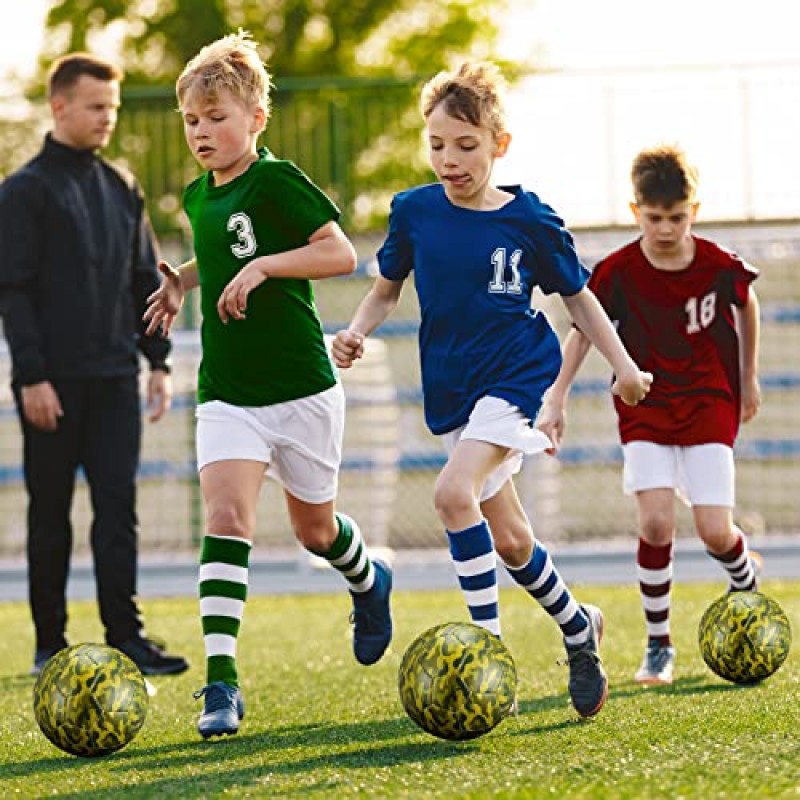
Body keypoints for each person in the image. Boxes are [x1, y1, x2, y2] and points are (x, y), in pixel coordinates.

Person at [332, 61, 652, 719]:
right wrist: (357, 331)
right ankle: (577, 625)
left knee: (452, 494)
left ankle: (488, 656)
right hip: (452, 386)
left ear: (498, 145)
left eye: (466, 145)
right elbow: (385, 289)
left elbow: (581, 301)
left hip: (516, 375)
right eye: (438, 145)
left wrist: (623, 366)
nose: (450, 159)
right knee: (508, 538)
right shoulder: (414, 212)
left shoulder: (531, 219)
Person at [143, 31, 393, 739]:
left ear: (255, 119)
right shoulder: (197, 196)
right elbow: (225, 252)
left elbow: (340, 253)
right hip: (226, 391)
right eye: (192, 120)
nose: (202, 131)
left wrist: (265, 269)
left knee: (316, 532)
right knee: (226, 521)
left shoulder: (277, 180)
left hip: (302, 388)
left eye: (216, 116)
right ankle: (221, 684)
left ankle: (369, 582)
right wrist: (181, 281)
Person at [537, 144, 762, 686]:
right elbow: (583, 329)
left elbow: (745, 303)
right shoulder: (617, 272)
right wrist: (557, 396)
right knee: (656, 521)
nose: (666, 228)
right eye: (655, 217)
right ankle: (658, 644)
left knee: (713, 532)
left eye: (677, 217)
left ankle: (744, 579)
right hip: (645, 405)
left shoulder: (715, 263)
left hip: (709, 399)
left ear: (695, 211)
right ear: (636, 211)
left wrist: (747, 376)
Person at [0, 54, 188, 677]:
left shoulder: (122, 186)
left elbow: (144, 280)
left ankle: (125, 637)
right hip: (50, 385)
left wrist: (157, 362)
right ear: (59, 107)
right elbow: (14, 290)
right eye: (96, 107)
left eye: (113, 107)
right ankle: (49, 643)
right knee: (49, 513)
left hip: (114, 380)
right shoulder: (22, 193)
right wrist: (30, 375)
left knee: (117, 509)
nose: (108, 118)